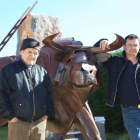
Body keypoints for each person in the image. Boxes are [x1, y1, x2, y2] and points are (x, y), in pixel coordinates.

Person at [0, 37, 54, 140]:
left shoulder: (42, 72)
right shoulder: (8, 70)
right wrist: (10, 116)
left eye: (35, 53)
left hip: (39, 123)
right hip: (18, 123)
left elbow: (49, 93)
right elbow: (1, 94)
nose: (32, 55)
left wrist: (48, 113)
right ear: (21, 52)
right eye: (29, 52)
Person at [93, 34, 140, 140]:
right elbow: (95, 52)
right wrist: (102, 41)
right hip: (129, 112)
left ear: (139, 46)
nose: (133, 47)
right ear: (124, 46)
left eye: (135, 45)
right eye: (130, 45)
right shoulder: (114, 62)